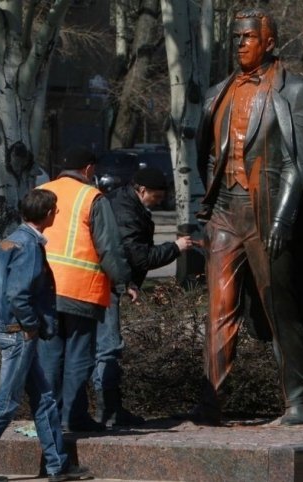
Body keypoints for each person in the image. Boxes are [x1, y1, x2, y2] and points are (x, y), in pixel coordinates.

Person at [195, 7, 303, 426]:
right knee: (219, 310)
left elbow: (302, 162)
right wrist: (211, 203)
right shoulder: (217, 93)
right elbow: (210, 153)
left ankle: (296, 399)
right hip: (225, 213)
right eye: (236, 37)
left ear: (269, 42)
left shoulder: (296, 90)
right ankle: (210, 401)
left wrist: (282, 218)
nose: (239, 43)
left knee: (280, 308)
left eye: (248, 37)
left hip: (268, 214)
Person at [0, 189, 91, 482]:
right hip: (20, 334)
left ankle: (57, 465)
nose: (56, 214)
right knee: (7, 402)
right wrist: (32, 324)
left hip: (13, 330)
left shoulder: (12, 239)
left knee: (45, 399)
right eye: (55, 210)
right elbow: (18, 294)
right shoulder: (29, 245)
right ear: (48, 214)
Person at [38, 146, 138, 433]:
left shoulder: (41, 191)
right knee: (78, 357)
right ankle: (74, 418)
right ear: (89, 169)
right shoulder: (92, 197)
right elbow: (109, 248)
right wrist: (124, 282)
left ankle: (50, 419)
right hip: (79, 290)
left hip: (43, 291)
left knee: (50, 358)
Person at [93, 167, 194, 427]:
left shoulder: (122, 202)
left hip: (106, 282)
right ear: (142, 190)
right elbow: (139, 256)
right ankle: (109, 411)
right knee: (108, 348)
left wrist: (129, 283)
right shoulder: (126, 212)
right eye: (156, 197)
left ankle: (103, 409)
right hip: (102, 286)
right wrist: (175, 248)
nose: (158, 202)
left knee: (96, 348)